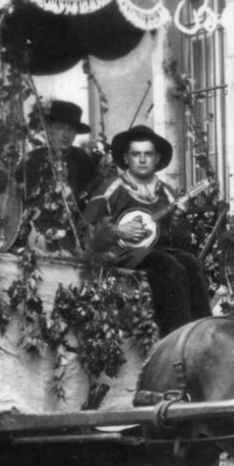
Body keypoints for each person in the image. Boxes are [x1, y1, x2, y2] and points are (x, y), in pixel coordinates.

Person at [84, 125, 212, 335]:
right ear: (126, 158)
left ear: (157, 158)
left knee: (191, 264)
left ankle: (204, 334)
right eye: (136, 154)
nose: (142, 160)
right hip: (121, 254)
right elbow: (86, 231)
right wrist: (117, 231)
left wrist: (178, 218)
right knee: (169, 266)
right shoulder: (111, 188)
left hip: (158, 253)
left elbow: (181, 243)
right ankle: (176, 339)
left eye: (148, 154)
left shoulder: (167, 193)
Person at [20, 100, 104, 212]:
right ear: (49, 129)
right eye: (60, 127)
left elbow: (91, 197)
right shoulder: (32, 159)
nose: (66, 134)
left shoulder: (82, 158)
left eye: (71, 129)